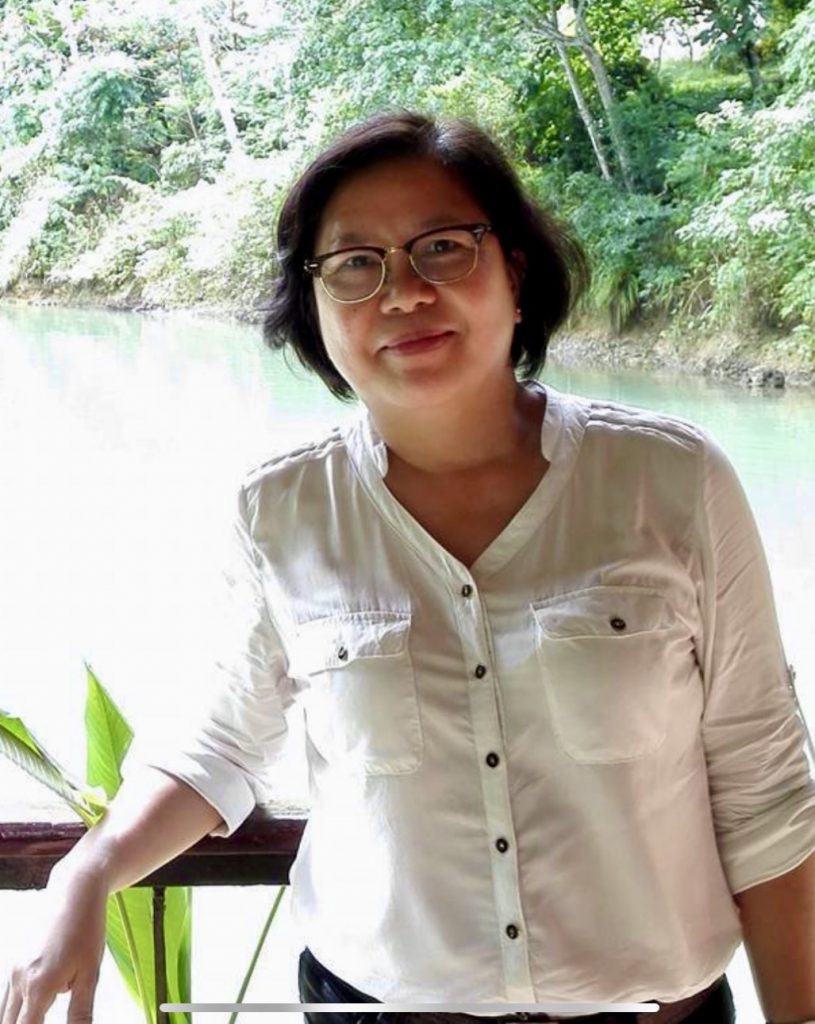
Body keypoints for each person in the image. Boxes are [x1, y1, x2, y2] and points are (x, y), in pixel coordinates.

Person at [2, 110, 815, 1024]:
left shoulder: (670, 481)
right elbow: (221, 744)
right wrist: (85, 873)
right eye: (355, 264)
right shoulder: (283, 511)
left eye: (442, 248)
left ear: (515, 272)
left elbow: (762, 785)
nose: (401, 293)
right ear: (314, 308)